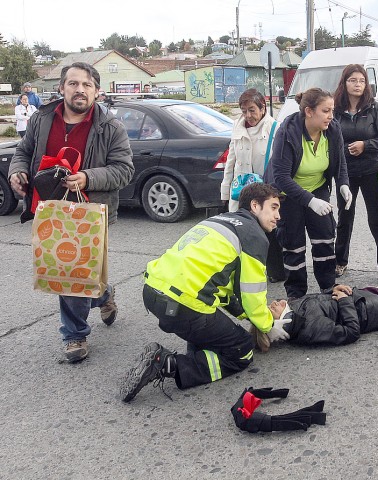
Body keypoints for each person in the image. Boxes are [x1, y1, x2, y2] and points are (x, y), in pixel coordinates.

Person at [8, 62, 134, 363]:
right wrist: (17, 172)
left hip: (89, 212)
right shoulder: (41, 119)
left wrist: (88, 177)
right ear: (62, 88)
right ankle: (102, 295)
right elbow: (23, 152)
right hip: (49, 210)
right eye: (74, 83)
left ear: (97, 91)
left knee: (73, 270)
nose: (80, 90)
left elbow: (124, 170)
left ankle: (75, 334)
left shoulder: (110, 127)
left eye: (87, 85)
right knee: (71, 271)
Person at [119, 183, 287, 402]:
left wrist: (244, 315)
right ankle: (167, 364)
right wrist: (267, 325)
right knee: (242, 350)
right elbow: (252, 295)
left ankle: (197, 351)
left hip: (153, 292)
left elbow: (220, 288)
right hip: (183, 305)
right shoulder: (254, 236)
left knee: (211, 325)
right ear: (255, 205)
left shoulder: (219, 220)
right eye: (273, 208)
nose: (278, 216)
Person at [264, 88, 351, 299]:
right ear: (309, 111)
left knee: (324, 239)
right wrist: (310, 201)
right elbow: (281, 177)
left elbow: (340, 163)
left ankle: (328, 288)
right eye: (326, 110)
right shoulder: (287, 132)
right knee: (293, 245)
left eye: (332, 110)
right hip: (288, 192)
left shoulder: (332, 129)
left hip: (317, 187)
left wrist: (343, 184)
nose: (331, 115)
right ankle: (296, 295)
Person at [332, 64, 378, 285]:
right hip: (345, 173)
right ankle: (340, 262)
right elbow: (327, 139)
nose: (358, 84)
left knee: (376, 218)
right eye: (353, 80)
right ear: (345, 83)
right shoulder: (335, 110)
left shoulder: (374, 109)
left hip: (371, 170)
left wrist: (365, 145)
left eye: (361, 80)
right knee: (345, 218)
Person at [220, 88, 285, 282]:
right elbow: (230, 162)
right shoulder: (237, 128)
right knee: (241, 232)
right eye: (244, 111)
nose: (248, 115)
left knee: (268, 233)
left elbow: (279, 162)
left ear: (263, 108)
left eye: (252, 110)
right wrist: (225, 193)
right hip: (241, 191)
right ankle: (244, 272)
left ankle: (275, 270)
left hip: (265, 190)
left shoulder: (275, 128)